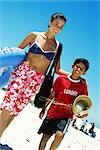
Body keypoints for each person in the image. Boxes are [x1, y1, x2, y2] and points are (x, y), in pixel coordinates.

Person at [0, 12, 68, 137]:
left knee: (15, 110)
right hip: (22, 73)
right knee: (8, 106)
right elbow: (16, 52)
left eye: (61, 26)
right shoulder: (34, 35)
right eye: (56, 23)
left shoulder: (58, 46)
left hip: (36, 80)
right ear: (50, 21)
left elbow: (57, 69)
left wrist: (73, 76)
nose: (57, 28)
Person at [38, 58, 89, 150]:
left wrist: (82, 113)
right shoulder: (61, 79)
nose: (78, 70)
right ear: (73, 66)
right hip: (53, 112)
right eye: (77, 67)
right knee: (45, 136)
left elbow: (83, 101)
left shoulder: (83, 85)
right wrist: (44, 108)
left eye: (82, 69)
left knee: (59, 135)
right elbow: (52, 95)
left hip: (66, 115)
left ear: (84, 73)